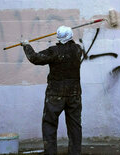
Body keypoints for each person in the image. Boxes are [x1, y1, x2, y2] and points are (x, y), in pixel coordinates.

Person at [21, 26, 83, 155]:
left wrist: (26, 45)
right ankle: (75, 152)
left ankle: (50, 152)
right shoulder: (78, 49)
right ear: (71, 36)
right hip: (74, 93)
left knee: (49, 124)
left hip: (55, 94)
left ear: (58, 37)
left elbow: (35, 58)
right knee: (75, 126)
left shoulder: (54, 51)